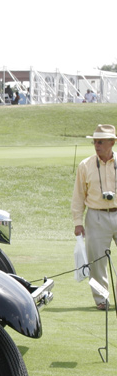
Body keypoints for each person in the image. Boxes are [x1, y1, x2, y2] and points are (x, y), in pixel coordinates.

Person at [72, 124, 117, 310]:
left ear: (112, 143)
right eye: (94, 142)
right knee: (96, 262)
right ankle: (101, 299)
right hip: (96, 216)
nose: (96, 145)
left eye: (100, 142)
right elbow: (78, 196)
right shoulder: (85, 165)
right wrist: (77, 222)